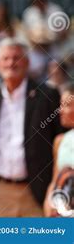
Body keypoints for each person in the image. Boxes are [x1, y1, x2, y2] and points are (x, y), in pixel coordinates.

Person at [0, 38, 63, 217]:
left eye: (16, 58)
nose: (11, 63)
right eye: (6, 59)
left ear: (27, 63)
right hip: (0, 191)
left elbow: (59, 141)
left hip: (37, 191)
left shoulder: (47, 96)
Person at [44, 83, 74, 217]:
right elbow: (55, 181)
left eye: (67, 105)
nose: (60, 110)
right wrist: (49, 207)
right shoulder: (60, 141)